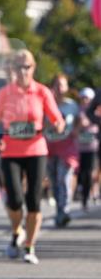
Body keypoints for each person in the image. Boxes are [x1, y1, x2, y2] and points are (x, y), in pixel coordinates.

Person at [0, 50, 64, 264]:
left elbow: (56, 117)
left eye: (27, 67)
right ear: (13, 69)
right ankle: (16, 231)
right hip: (10, 150)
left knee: (33, 199)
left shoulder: (42, 92)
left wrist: (58, 125)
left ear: (34, 68)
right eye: (19, 67)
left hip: (36, 150)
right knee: (14, 199)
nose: (23, 71)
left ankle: (30, 246)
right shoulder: (5, 93)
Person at [44, 74, 80, 227]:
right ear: (53, 87)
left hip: (67, 148)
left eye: (63, 85)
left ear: (66, 88)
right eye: (57, 85)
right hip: (49, 146)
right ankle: (59, 209)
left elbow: (79, 120)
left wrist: (77, 130)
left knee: (63, 179)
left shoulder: (72, 105)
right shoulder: (46, 103)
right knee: (53, 181)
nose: (60, 88)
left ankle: (63, 211)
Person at [77, 87, 99, 209]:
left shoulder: (95, 111)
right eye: (83, 98)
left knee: (90, 172)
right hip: (79, 147)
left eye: (87, 98)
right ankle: (83, 195)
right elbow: (74, 126)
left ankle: (89, 193)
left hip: (92, 147)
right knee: (82, 173)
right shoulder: (78, 110)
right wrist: (79, 124)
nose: (85, 100)